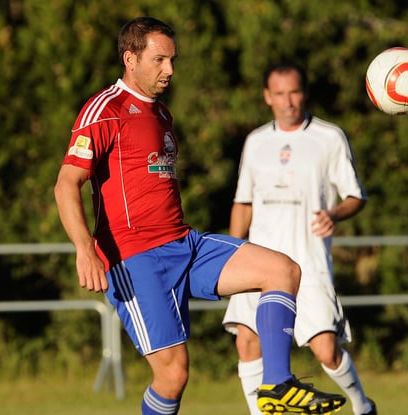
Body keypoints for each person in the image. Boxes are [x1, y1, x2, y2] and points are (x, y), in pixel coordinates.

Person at [53, 17, 345, 415]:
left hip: (184, 245)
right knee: (173, 376)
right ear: (130, 58)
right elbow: (66, 184)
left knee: (282, 271)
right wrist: (85, 249)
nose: (169, 70)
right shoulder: (105, 110)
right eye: (159, 60)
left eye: (172, 60)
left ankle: (276, 384)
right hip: (135, 257)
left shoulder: (162, 115)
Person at [221, 61, 376, 415]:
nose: (287, 101)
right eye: (279, 94)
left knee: (326, 350)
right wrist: (232, 253)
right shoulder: (256, 141)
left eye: (294, 92)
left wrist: (334, 214)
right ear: (267, 97)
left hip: (308, 262)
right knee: (248, 343)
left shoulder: (329, 137)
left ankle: (363, 406)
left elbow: (355, 195)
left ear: (303, 94)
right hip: (257, 261)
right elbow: (242, 204)